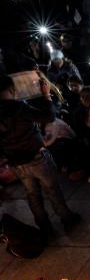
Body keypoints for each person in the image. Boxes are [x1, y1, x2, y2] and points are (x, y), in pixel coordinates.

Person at [0, 74, 80, 236]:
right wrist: (46, 96)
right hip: (37, 157)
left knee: (32, 194)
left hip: (17, 162)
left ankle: (44, 227)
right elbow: (49, 117)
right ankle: (67, 219)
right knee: (52, 190)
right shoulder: (19, 107)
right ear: (11, 89)